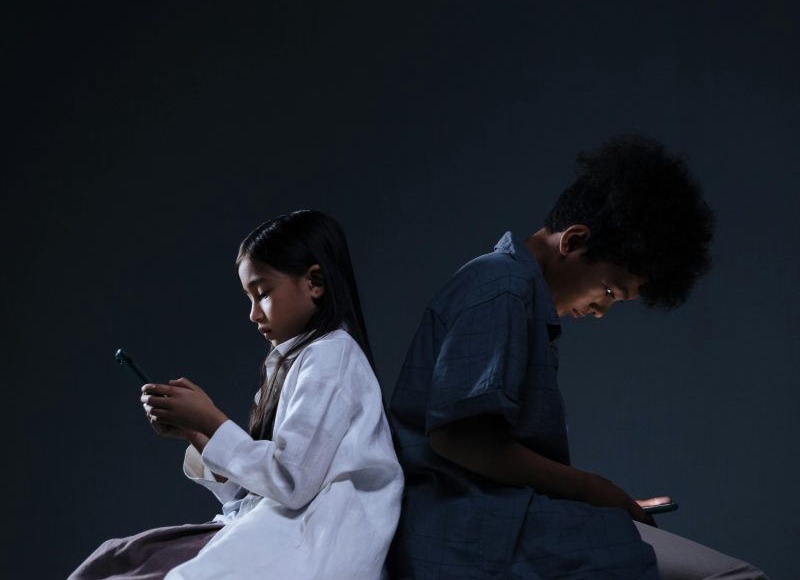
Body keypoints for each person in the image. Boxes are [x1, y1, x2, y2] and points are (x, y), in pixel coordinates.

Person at [387, 135, 767, 579]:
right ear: (574, 240)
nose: (602, 311)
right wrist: (591, 490)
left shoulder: (513, 292)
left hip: (494, 524)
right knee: (736, 578)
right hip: (474, 533)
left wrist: (596, 500)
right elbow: (459, 436)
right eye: (609, 291)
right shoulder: (500, 286)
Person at [70, 210, 404, 580]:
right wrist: (195, 433)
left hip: (318, 547)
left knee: (129, 566)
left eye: (262, 294)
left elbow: (290, 483)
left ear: (315, 282)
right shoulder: (296, 360)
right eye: (249, 297)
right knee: (120, 558)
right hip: (287, 531)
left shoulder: (331, 356)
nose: (252, 314)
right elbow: (259, 494)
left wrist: (211, 419)